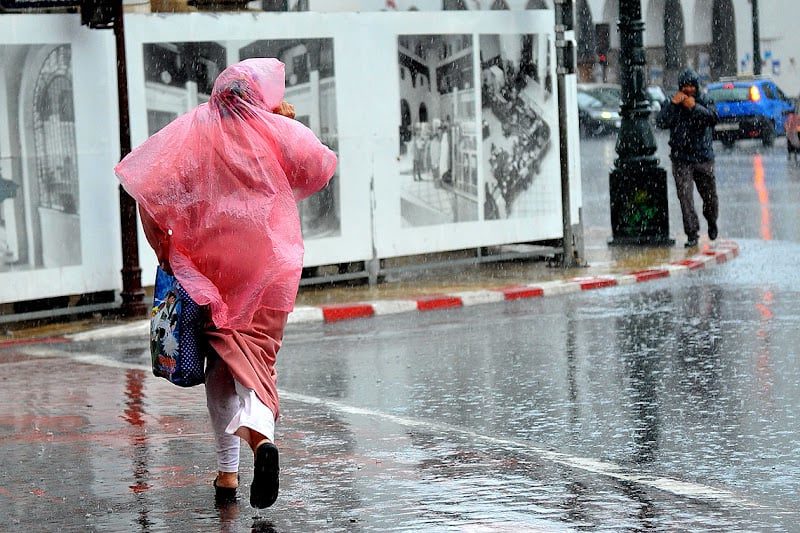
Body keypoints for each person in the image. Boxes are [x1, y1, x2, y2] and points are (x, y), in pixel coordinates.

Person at [115, 58, 337, 509]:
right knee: (257, 358)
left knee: (220, 361)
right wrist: (278, 128)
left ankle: (228, 474)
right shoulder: (271, 130)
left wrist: (165, 248)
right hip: (271, 263)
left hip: (216, 265)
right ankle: (261, 443)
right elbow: (319, 165)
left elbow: (148, 188)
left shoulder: (196, 131)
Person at [655, 68, 719, 248]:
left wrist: (694, 107)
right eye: (685, 86)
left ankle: (712, 220)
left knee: (710, 197)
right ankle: (692, 233)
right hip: (681, 158)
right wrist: (672, 106)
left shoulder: (705, 100)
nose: (688, 90)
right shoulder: (674, 103)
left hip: (703, 157)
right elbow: (660, 122)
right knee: (685, 197)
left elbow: (713, 118)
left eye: (691, 86)